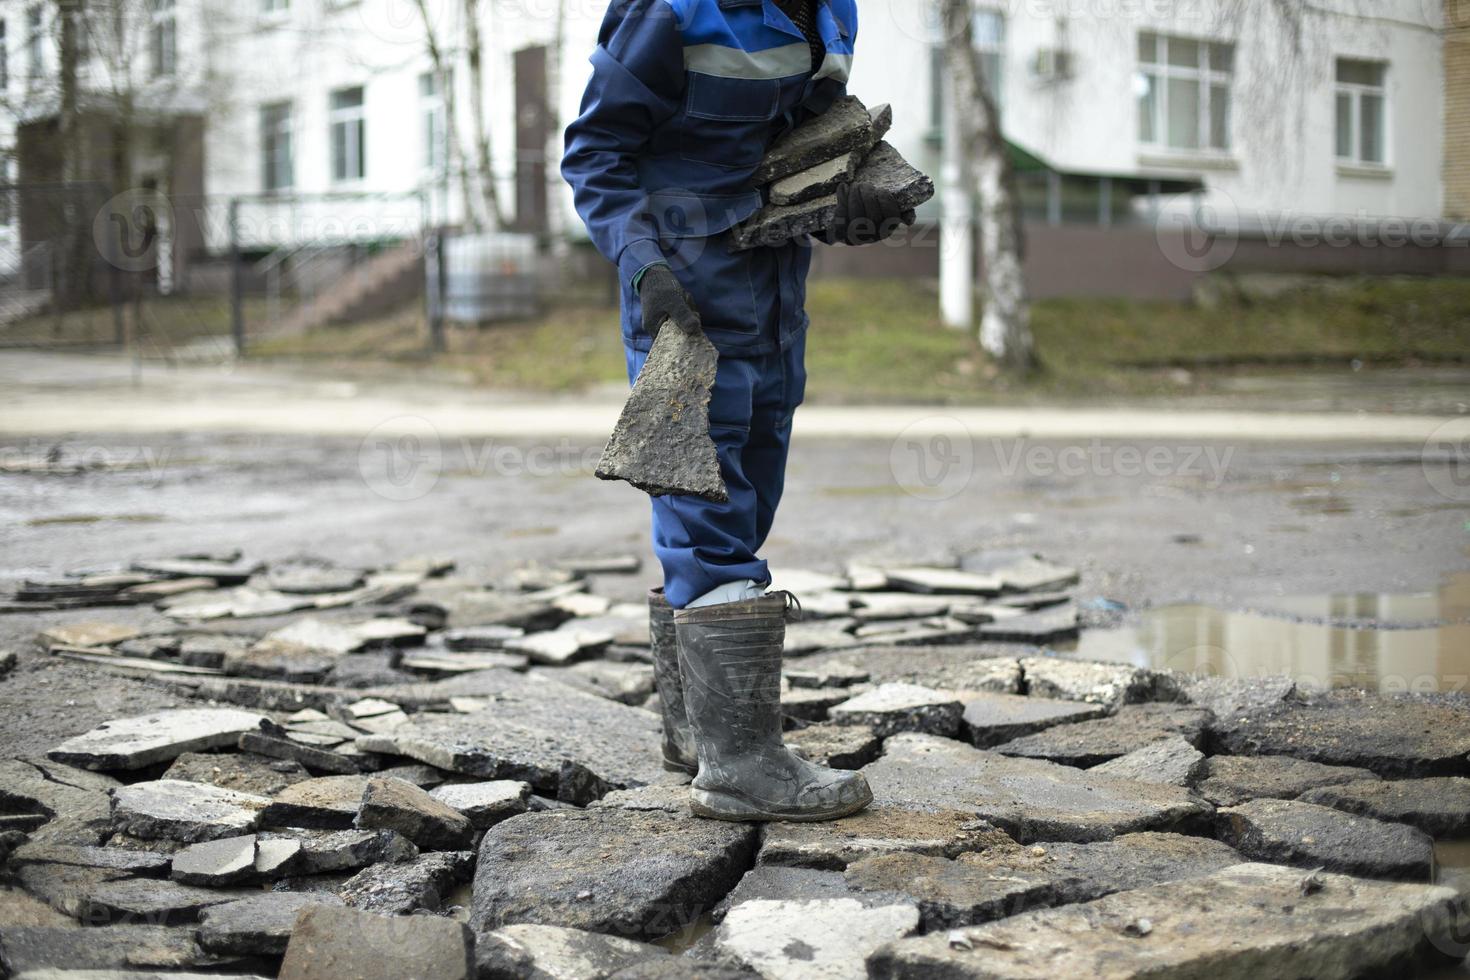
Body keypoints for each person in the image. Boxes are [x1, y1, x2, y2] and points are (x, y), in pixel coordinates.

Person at [563, 0, 910, 822]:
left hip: (774, 291)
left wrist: (852, 196)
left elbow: (804, 141)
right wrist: (643, 268)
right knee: (705, 505)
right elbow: (595, 152)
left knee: (750, 495)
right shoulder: (674, 10)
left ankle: (697, 732)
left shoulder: (832, 9)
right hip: (684, 296)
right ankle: (743, 766)